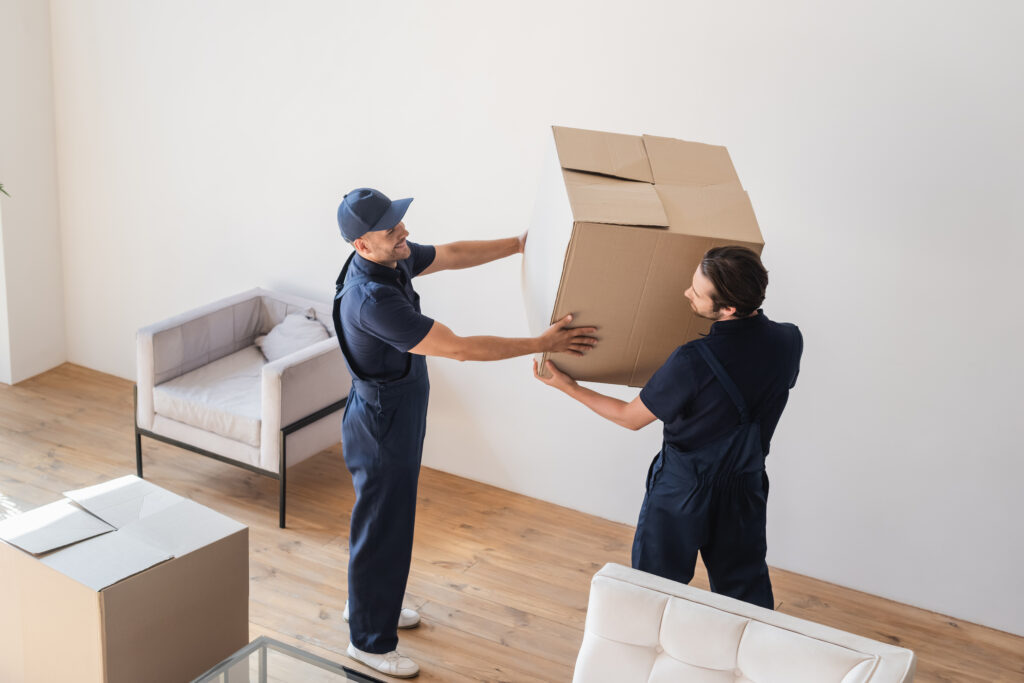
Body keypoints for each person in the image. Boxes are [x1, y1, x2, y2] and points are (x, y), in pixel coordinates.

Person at [332, 187, 597, 678]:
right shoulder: (373, 300)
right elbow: (459, 349)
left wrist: (518, 243)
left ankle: (367, 604)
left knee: (380, 521)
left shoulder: (390, 260)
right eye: (392, 230)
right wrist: (541, 343)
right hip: (382, 423)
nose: (404, 233)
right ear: (361, 246)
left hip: (389, 412)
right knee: (384, 527)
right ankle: (368, 642)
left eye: (400, 221)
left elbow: (451, 255)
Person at [534, 246, 801, 609]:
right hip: (746, 487)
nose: (686, 293)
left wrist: (569, 386)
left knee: (653, 589)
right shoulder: (789, 340)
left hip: (684, 491)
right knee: (746, 596)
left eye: (696, 291)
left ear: (728, 309)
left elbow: (630, 418)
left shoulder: (691, 361)